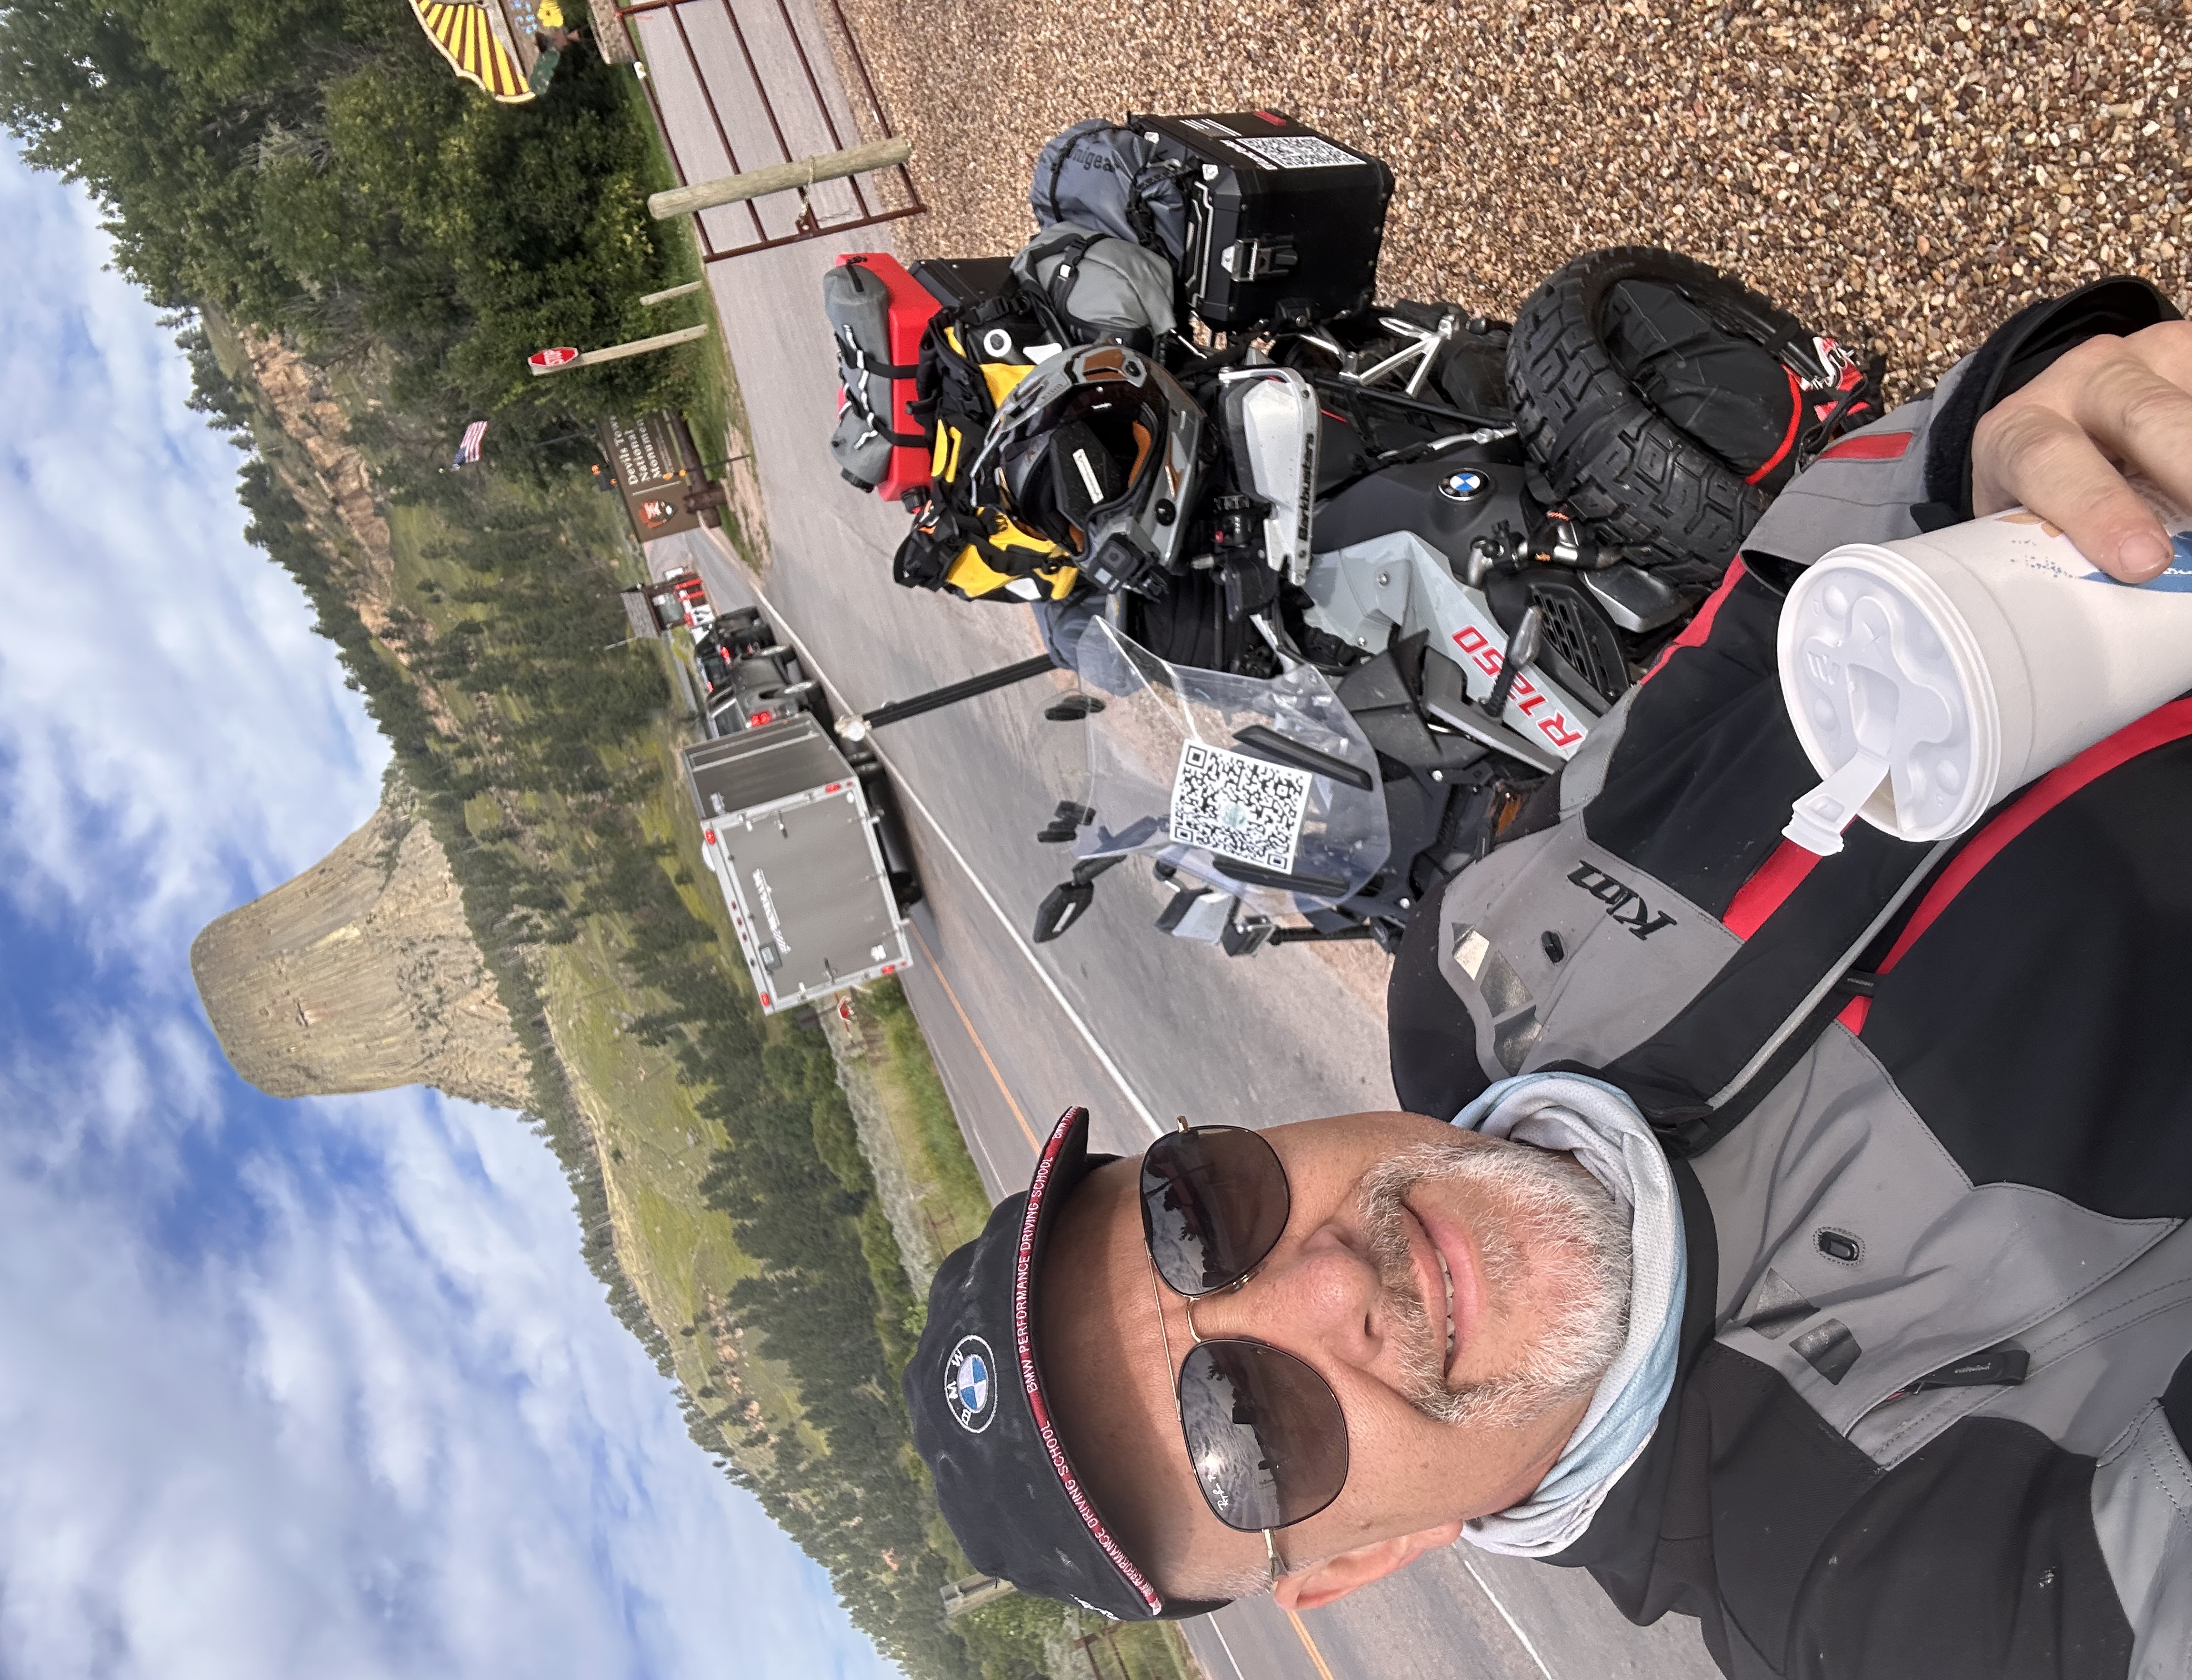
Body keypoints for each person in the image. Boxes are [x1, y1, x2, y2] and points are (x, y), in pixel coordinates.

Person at [907, 276, 2192, 1678]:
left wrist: (2006, 425)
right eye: (1251, 1438)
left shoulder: (1470, 957)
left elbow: (1784, 588)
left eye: (1197, 1211)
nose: (1323, 1282)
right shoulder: (1894, 1597)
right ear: (1362, 1564)